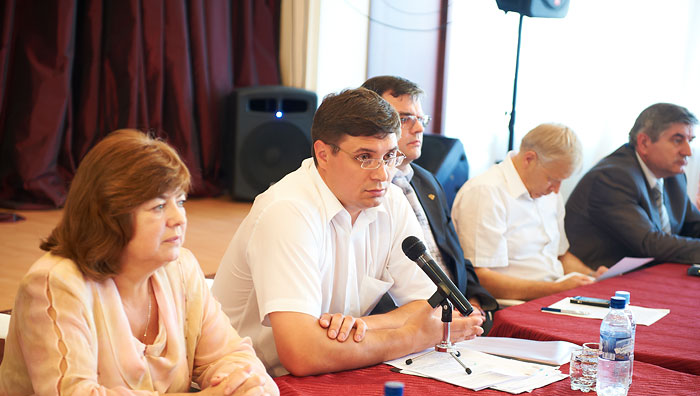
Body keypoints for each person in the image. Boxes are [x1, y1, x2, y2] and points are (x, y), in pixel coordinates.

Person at [0, 129, 279, 396]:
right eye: (159, 206)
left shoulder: (180, 269)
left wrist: (237, 387)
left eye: (180, 201)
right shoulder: (56, 283)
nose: (178, 219)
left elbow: (231, 355)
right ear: (110, 215)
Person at [212, 88, 484, 377]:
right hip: (249, 379)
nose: (382, 174)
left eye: (389, 156)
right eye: (365, 157)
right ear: (323, 154)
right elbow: (302, 353)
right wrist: (411, 336)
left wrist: (363, 326)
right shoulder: (287, 210)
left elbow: (429, 306)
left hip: (336, 364)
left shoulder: (391, 200)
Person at [361, 76, 498, 333]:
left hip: (459, 316)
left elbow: (454, 255)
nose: (419, 129)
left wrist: (473, 300)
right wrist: (436, 317)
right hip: (401, 326)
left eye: (421, 119)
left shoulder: (428, 181)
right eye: (405, 119)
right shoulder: (364, 188)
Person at [451, 123, 606, 302]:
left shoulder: (549, 194)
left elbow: (560, 256)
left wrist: (592, 276)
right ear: (529, 159)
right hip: (511, 304)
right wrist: (556, 290)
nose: (556, 190)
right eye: (552, 179)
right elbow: (480, 279)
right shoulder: (485, 192)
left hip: (550, 295)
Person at [565, 103, 700, 267]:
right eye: (678, 140)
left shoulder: (674, 177)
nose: (688, 152)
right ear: (644, 143)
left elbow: (692, 226)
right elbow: (650, 243)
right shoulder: (612, 177)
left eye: (690, 141)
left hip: (647, 272)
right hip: (597, 276)